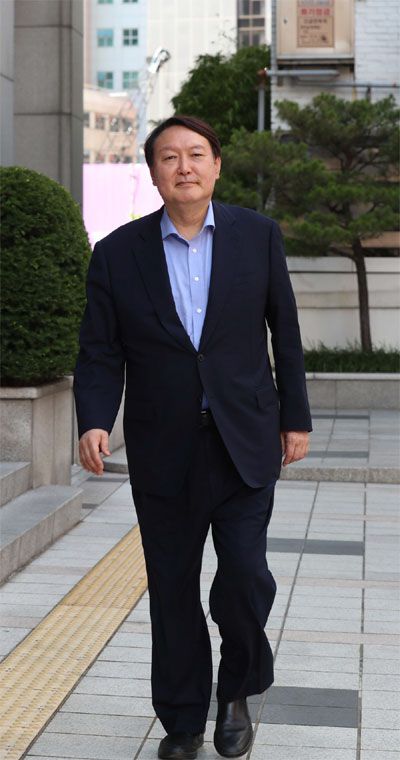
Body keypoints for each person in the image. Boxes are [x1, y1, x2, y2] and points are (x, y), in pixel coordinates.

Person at [74, 115, 311, 760]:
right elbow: (100, 351)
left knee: (245, 578)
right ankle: (182, 721)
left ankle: (236, 692)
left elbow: (285, 332)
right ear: (153, 173)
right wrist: (94, 419)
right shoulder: (117, 253)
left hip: (244, 441)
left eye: (197, 154)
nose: (185, 166)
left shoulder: (257, 236)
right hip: (164, 448)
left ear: (216, 166)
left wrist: (296, 418)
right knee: (172, 587)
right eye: (169, 157)